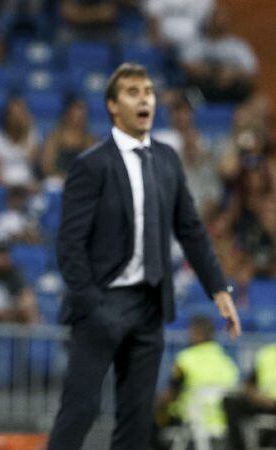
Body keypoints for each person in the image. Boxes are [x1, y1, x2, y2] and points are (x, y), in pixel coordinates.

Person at [47, 63, 241, 450]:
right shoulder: (92, 164)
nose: (144, 100)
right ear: (113, 106)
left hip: (149, 303)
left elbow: (190, 229)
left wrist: (218, 288)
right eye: (133, 92)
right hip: (102, 302)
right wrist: (90, 303)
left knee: (136, 420)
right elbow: (69, 244)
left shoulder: (167, 160)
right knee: (80, 410)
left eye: (149, 92)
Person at [154, 315, 239, 445]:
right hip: (222, 422)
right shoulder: (227, 362)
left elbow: (171, 395)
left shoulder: (185, 359)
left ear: (196, 333)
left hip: (190, 419)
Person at [223, 342, 276, 449]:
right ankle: (238, 447)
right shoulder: (267, 354)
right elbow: (249, 384)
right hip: (265, 402)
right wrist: (256, 397)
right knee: (230, 402)